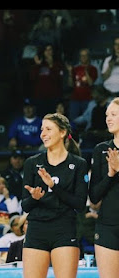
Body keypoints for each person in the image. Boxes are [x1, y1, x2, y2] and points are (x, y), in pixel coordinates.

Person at [22, 112, 89, 278]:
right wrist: (34, 198)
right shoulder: (32, 163)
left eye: (48, 129)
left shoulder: (78, 164)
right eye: (42, 129)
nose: (43, 134)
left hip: (64, 229)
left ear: (62, 133)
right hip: (37, 229)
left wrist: (53, 186)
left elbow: (80, 205)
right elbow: (25, 205)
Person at [89, 97, 119, 278]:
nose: (108, 118)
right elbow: (93, 197)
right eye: (107, 115)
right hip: (107, 227)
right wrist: (110, 174)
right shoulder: (101, 150)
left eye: (114, 114)